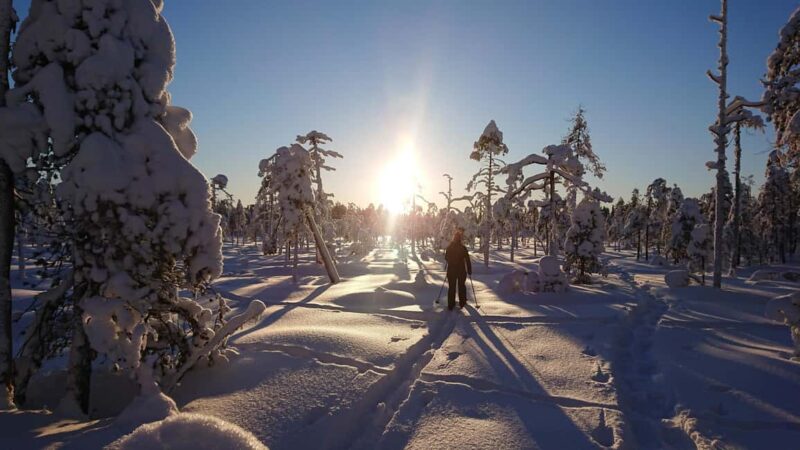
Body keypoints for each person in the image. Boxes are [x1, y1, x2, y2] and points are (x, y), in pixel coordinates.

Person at [444, 228, 472, 310]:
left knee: (451, 287)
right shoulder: (463, 248)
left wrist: (451, 262)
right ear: (460, 239)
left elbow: (446, 257)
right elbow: (467, 260)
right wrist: (469, 270)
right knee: (461, 286)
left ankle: (451, 304)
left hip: (451, 271)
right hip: (461, 271)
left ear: (454, 238)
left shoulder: (449, 247)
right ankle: (462, 302)